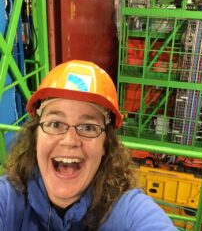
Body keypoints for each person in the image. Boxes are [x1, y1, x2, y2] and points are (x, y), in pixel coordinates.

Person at [0, 60, 177, 230]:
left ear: (105, 146)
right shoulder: (8, 199)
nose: (70, 141)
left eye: (88, 127)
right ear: (36, 137)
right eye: (55, 124)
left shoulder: (128, 212)